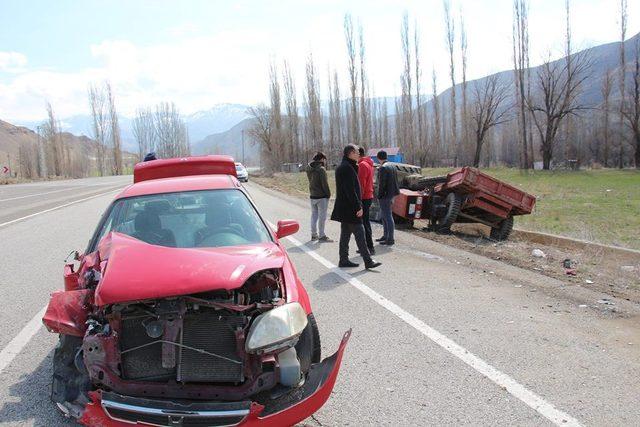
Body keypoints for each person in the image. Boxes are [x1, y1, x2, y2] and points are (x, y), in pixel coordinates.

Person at [330, 144, 381, 269]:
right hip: (350, 208)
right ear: (351, 153)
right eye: (357, 152)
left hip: (346, 207)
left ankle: (343, 259)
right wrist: (358, 206)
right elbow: (350, 191)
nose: (359, 154)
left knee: (345, 234)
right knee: (360, 233)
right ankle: (368, 261)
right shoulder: (347, 168)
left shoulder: (346, 166)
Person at [306, 151, 332, 242]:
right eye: (324, 159)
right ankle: (322, 235)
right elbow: (324, 184)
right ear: (321, 159)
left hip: (312, 195)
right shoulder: (321, 169)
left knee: (314, 216)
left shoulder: (308, 168)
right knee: (322, 217)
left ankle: (313, 235)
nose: (324, 161)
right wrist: (328, 194)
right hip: (321, 196)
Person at [376, 150, 400, 246]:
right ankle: (386, 236)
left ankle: (390, 238)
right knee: (385, 216)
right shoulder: (392, 166)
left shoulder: (383, 168)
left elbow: (382, 184)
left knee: (387, 216)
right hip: (392, 194)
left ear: (378, 158)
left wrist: (379, 195)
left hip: (385, 195)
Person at [357, 146, 375, 254]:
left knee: (364, 223)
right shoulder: (368, 163)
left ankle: (369, 247)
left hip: (364, 197)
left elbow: (361, 185)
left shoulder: (362, 165)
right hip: (368, 196)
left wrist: (358, 200)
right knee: (365, 222)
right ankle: (367, 246)